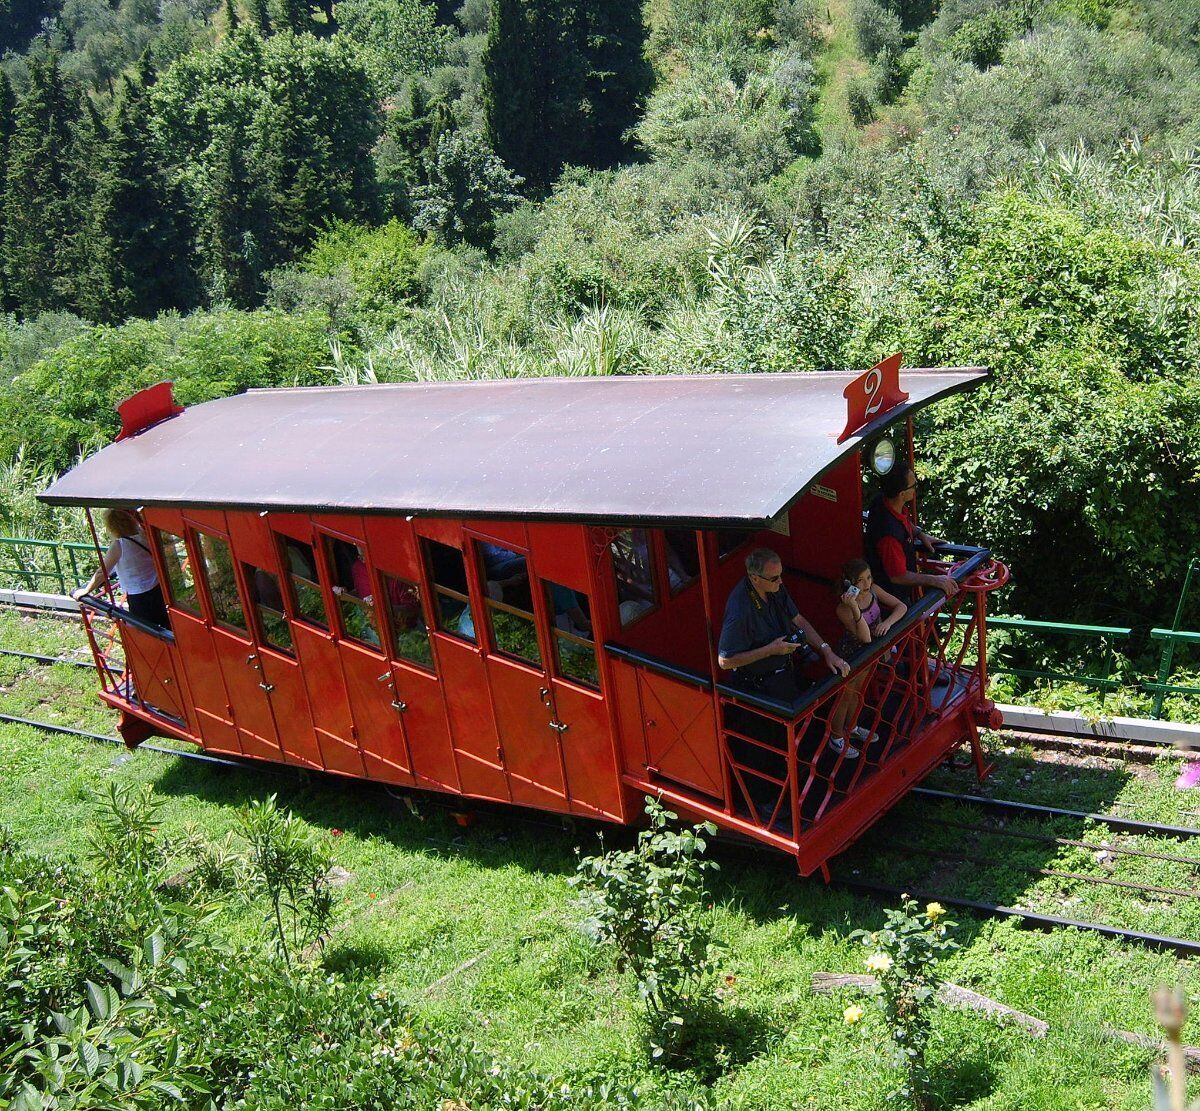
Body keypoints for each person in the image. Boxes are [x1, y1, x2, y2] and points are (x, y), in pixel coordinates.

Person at [718, 548, 851, 749]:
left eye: (781, 575)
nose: (780, 582)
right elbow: (724, 661)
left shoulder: (774, 587)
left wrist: (827, 651)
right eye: (774, 578)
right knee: (776, 745)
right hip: (757, 688)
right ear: (755, 579)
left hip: (784, 674)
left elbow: (798, 620)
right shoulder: (740, 609)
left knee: (803, 730)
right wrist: (770, 650)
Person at [828, 559, 907, 755]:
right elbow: (864, 637)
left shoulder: (874, 591)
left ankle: (852, 727)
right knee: (846, 696)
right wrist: (855, 607)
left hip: (871, 652)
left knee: (858, 692)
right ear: (849, 583)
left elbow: (901, 606)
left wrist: (887, 623)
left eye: (869, 578)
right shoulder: (843, 608)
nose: (866, 584)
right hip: (851, 654)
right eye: (860, 580)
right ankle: (836, 737)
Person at [864, 466, 959, 605]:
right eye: (913, 485)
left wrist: (918, 533)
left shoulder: (883, 501)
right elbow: (898, 576)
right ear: (902, 494)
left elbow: (900, 519)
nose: (916, 488)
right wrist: (935, 580)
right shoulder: (889, 537)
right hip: (894, 600)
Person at [72, 508, 169, 628]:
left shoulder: (119, 545)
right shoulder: (144, 536)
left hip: (139, 595)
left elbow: (102, 572)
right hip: (157, 587)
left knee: (146, 628)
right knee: (164, 622)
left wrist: (86, 590)